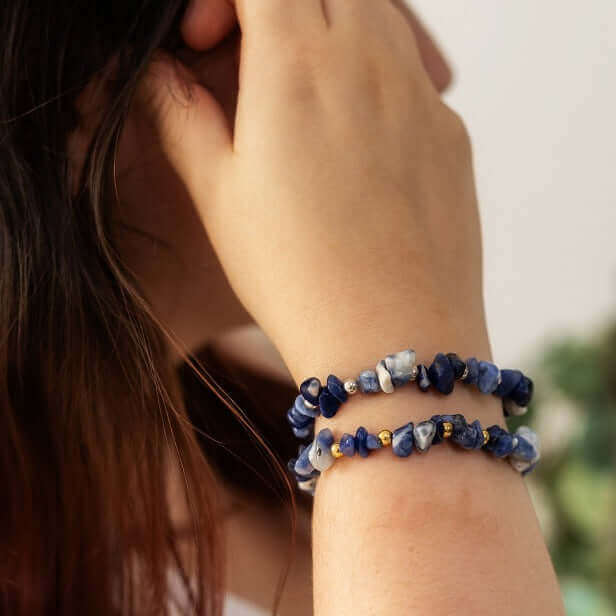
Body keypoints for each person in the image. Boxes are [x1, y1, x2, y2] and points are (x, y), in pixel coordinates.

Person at [0, 0, 565, 614]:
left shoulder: (269, 427)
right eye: (323, 6)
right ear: (80, 92)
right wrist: (404, 345)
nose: (429, 70)